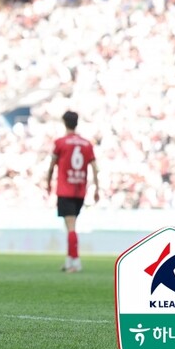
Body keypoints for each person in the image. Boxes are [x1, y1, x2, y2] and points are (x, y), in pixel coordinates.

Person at [46, 110, 100, 273]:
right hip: (79, 190)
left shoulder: (60, 142)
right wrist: (97, 188)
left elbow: (52, 165)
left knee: (70, 227)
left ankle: (76, 262)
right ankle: (69, 260)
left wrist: (47, 182)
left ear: (64, 122)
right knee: (70, 224)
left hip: (65, 189)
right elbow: (95, 168)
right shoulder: (87, 143)